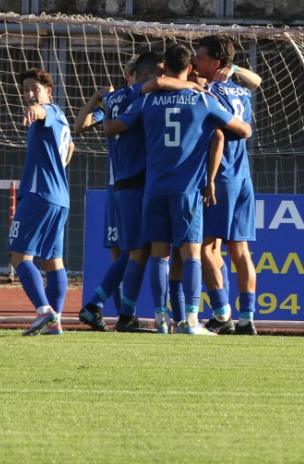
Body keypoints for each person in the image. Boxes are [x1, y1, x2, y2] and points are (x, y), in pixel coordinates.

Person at [105, 44, 252, 335]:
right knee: (192, 254)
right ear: (189, 68)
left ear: (165, 68)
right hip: (187, 190)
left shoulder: (146, 101)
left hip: (154, 188)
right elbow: (241, 130)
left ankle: (161, 320)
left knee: (159, 254)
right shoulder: (203, 100)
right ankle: (192, 320)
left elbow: (112, 129)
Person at [73, 52, 160, 332]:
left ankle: (112, 309)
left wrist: (98, 98)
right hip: (129, 183)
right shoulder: (137, 96)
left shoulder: (112, 100)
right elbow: (80, 126)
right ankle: (108, 308)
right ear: (131, 76)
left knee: (131, 248)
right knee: (131, 249)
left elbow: (80, 125)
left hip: (121, 183)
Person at [193, 35, 261, 336]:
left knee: (204, 249)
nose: (196, 61)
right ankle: (247, 318)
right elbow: (256, 81)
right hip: (244, 175)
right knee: (239, 249)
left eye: (201, 57)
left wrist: (208, 180)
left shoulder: (210, 92)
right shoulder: (240, 90)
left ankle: (221, 313)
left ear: (216, 63)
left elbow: (218, 136)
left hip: (221, 176)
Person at [8, 68, 75, 336]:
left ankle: (44, 311)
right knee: (52, 260)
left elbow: (42, 112)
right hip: (60, 197)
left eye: (35, 88)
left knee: (19, 256)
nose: (29, 94)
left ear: (49, 91)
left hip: (39, 195)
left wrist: (36, 110)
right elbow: (71, 149)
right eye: (26, 89)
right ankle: (55, 323)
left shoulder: (49, 113)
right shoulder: (63, 120)